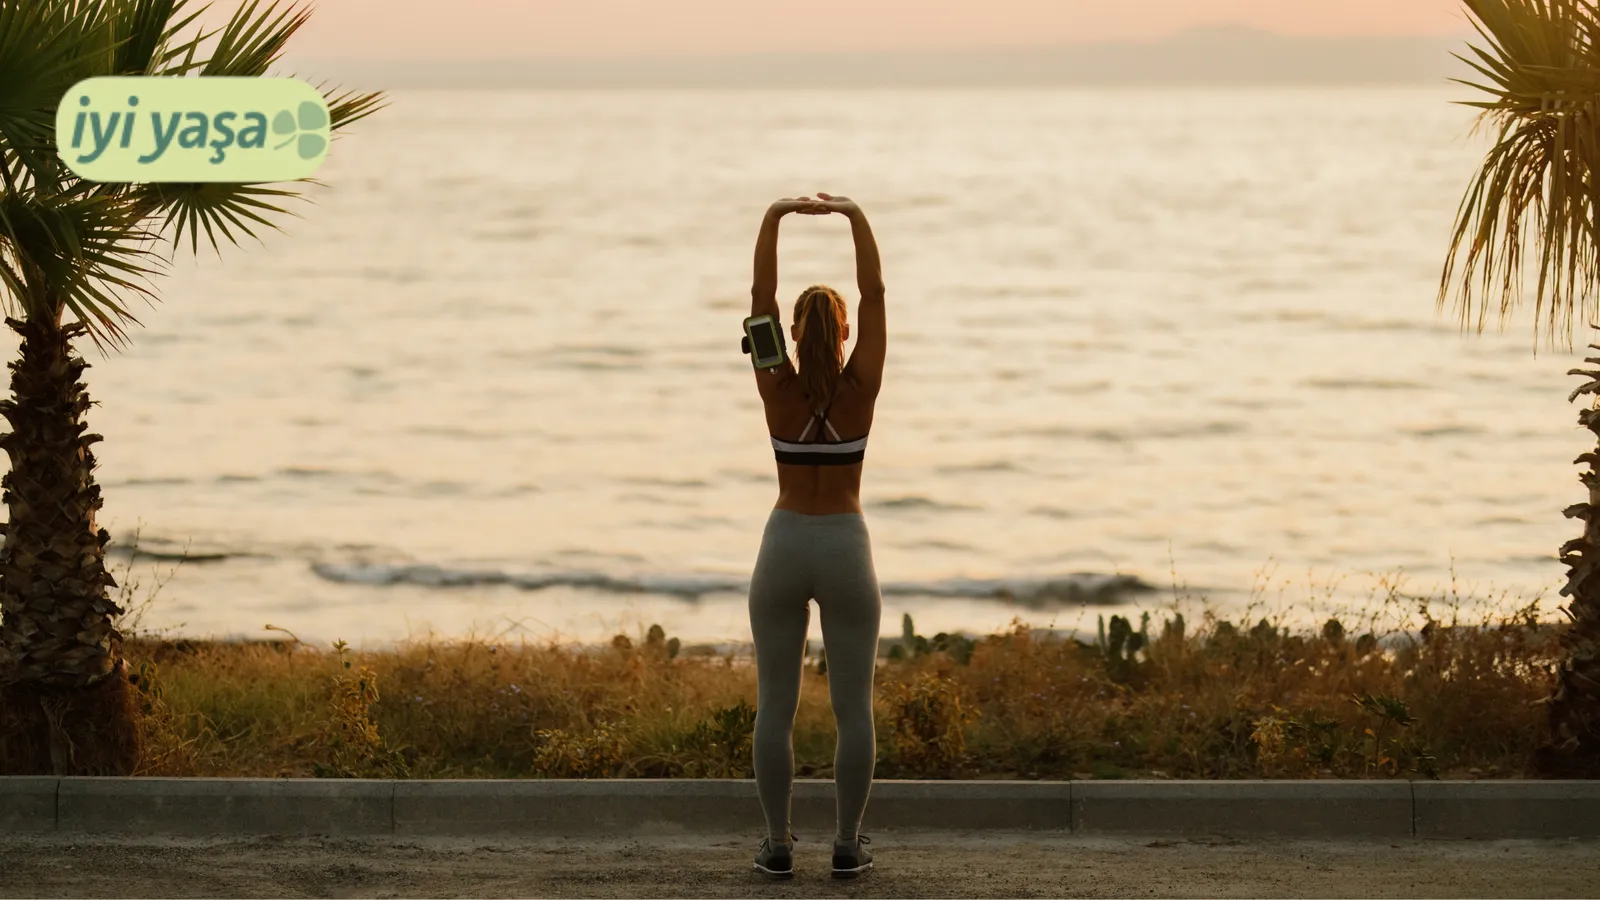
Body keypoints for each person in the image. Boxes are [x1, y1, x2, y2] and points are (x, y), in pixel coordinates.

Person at [745, 192, 886, 880]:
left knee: (776, 705)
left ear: (794, 335)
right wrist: (855, 217)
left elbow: (759, 295)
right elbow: (876, 290)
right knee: (852, 708)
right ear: (845, 333)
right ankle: (847, 845)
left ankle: (777, 844)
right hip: (845, 547)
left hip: (785, 543)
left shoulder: (776, 383)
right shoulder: (862, 384)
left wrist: (774, 217)